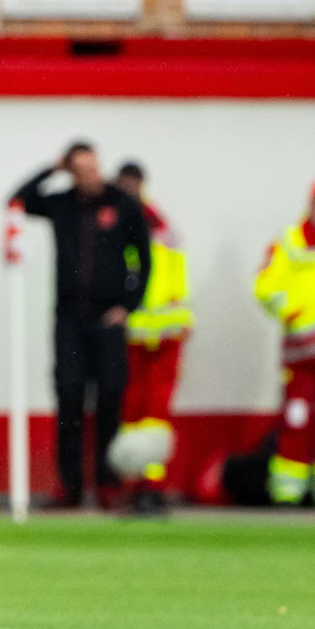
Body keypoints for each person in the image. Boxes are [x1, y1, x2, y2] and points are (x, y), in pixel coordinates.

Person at [14, 141, 150, 508]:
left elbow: (144, 256)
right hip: (69, 319)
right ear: (72, 173)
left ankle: (108, 483)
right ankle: (69, 485)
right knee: (70, 397)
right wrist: (51, 167)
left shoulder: (122, 204)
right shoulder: (60, 204)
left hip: (107, 319)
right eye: (81, 170)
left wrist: (128, 304)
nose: (91, 176)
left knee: (109, 398)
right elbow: (18, 199)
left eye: (94, 168)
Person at [112, 161, 193, 515]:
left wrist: (182, 318)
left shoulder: (159, 226)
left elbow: (176, 276)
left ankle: (153, 484)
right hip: (131, 332)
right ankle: (132, 484)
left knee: (156, 411)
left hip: (163, 331)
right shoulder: (113, 222)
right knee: (131, 408)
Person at [253, 181, 315, 505]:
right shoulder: (290, 242)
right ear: (312, 204)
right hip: (302, 353)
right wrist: (293, 313)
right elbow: (266, 287)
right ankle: (288, 491)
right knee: (298, 417)